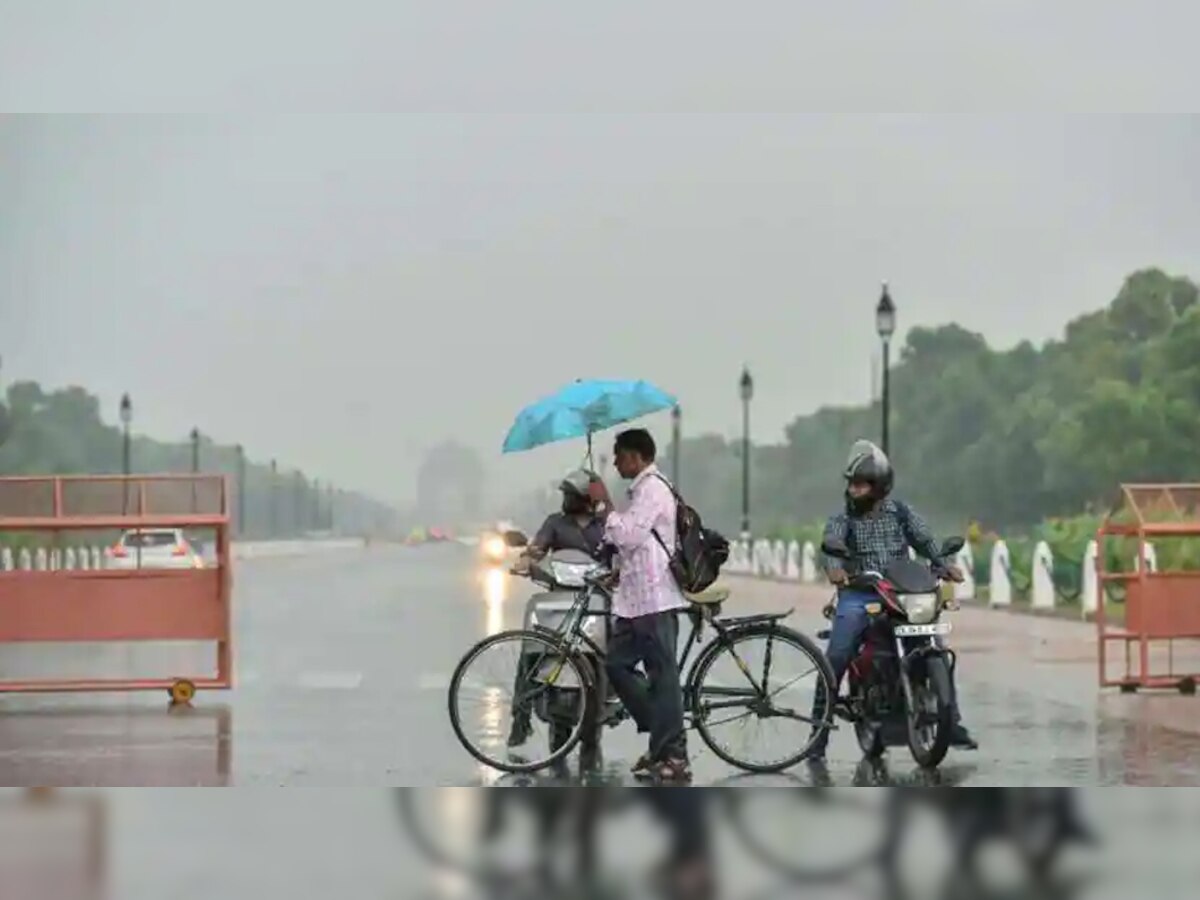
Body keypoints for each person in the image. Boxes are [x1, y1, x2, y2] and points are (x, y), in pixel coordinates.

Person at [808, 439, 978, 763]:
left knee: (935, 644)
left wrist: (942, 564)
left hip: (902, 592)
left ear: (879, 486)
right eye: (852, 484)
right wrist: (835, 570)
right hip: (860, 594)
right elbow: (829, 547)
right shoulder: (843, 518)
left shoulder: (900, 512)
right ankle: (818, 735)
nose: (853, 490)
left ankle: (950, 721)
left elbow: (926, 541)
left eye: (861, 485)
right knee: (837, 656)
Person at [588, 428, 692, 783]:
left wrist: (604, 506)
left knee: (664, 680)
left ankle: (675, 757)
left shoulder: (653, 489)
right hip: (634, 602)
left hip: (656, 599)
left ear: (636, 457)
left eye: (619, 455)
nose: (615, 462)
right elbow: (636, 544)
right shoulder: (640, 491)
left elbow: (630, 536)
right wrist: (616, 570)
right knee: (616, 665)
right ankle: (661, 735)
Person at [507, 468, 608, 749]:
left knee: (605, 657)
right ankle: (520, 717)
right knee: (531, 652)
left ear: (586, 497)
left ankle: (603, 708)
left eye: (571, 495)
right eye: (565, 495)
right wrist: (527, 559)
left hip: (595, 603)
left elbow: (620, 556)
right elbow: (537, 548)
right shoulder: (555, 523)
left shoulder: (606, 526)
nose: (566, 499)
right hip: (559, 601)